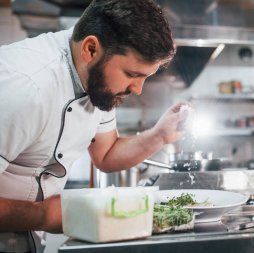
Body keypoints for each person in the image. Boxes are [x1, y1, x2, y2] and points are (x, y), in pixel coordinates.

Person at [0, 0, 189, 252]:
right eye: (132, 74)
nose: (137, 89)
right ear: (90, 49)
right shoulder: (22, 87)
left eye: (146, 77)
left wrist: (159, 136)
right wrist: (44, 214)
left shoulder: (95, 78)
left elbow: (106, 153)